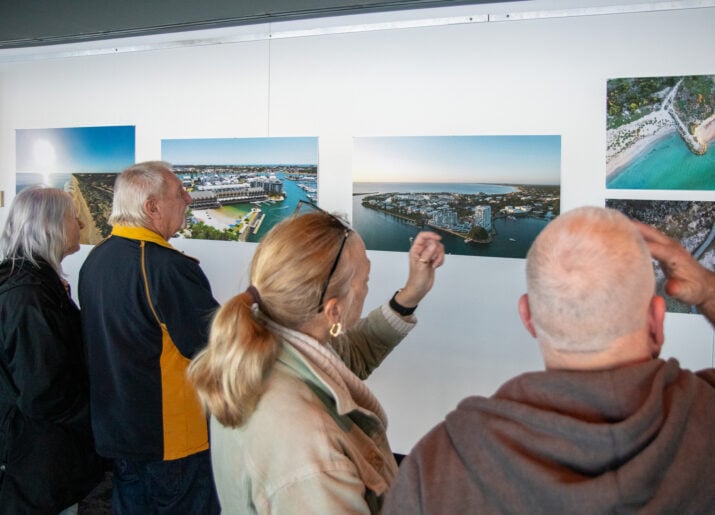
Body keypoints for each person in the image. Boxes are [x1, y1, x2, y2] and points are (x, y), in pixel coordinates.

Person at [383, 206, 715, 514]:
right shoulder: (706, 414)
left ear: (528, 317)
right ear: (657, 321)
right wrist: (707, 291)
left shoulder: (438, 466)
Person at [187, 205, 445, 514]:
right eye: (365, 280)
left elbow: (348, 357)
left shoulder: (262, 344)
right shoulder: (311, 450)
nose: (365, 287)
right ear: (333, 311)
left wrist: (409, 296)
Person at [78, 161, 220, 514]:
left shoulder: (96, 259)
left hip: (118, 432)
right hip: (170, 441)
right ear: (152, 208)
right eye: (178, 193)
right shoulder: (169, 268)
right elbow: (213, 347)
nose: (188, 198)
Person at [0, 186, 104, 514]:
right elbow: (44, 392)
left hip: (40, 454)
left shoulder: (32, 283)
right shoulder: (28, 296)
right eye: (75, 218)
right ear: (50, 227)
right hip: (36, 461)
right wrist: (104, 417)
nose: (82, 225)